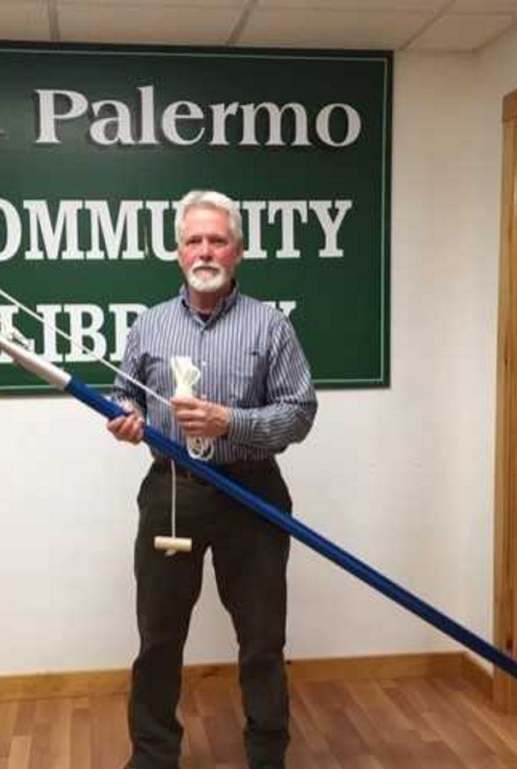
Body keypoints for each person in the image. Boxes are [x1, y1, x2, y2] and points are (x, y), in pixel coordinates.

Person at [107, 190, 318, 769]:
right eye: (194, 240)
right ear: (178, 253)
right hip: (172, 489)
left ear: (239, 251)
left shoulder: (270, 326)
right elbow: (124, 393)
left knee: (261, 642)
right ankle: (152, 756)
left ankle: (267, 757)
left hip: (251, 492)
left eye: (217, 240)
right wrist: (125, 418)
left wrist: (233, 421)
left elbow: (300, 412)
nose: (205, 250)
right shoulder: (148, 326)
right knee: (158, 638)